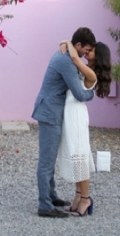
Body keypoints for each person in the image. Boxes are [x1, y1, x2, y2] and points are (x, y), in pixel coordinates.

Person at [32, 27, 96, 218]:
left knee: (49, 158)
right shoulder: (67, 61)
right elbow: (79, 93)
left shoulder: (66, 53)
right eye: (86, 50)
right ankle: (45, 205)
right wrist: (91, 92)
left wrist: (66, 42)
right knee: (47, 161)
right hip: (50, 112)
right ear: (78, 45)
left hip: (50, 110)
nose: (86, 54)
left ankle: (51, 197)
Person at [57, 40, 112, 217]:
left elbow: (74, 56)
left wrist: (67, 41)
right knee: (75, 155)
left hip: (76, 115)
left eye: (92, 50)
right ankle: (78, 197)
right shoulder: (87, 68)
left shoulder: (91, 73)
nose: (88, 51)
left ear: (99, 55)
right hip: (70, 112)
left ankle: (86, 199)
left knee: (80, 157)